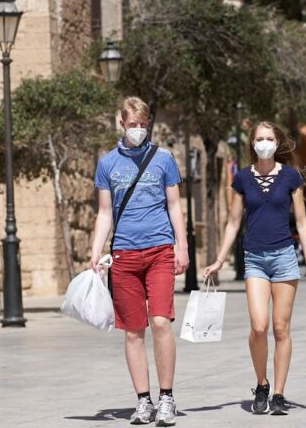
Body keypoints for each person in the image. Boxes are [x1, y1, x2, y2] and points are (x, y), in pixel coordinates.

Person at [203, 121, 306, 416]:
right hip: (254, 258)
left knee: (281, 329)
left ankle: (279, 393)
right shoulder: (242, 178)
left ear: (276, 142)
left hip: (284, 258)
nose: (264, 143)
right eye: (259, 138)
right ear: (252, 143)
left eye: (269, 138)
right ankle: (262, 383)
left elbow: (302, 223)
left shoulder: (291, 177)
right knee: (259, 326)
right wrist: (219, 259)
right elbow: (233, 223)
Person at [89, 97, 189, 426]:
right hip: (125, 254)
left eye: (143, 125)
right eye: (132, 124)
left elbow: (174, 205)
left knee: (160, 322)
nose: (138, 130)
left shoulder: (163, 160)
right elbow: (105, 212)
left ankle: (167, 398)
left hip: (159, 249)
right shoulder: (107, 164)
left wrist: (182, 245)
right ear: (122, 124)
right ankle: (143, 400)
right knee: (133, 331)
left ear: (149, 124)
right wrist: (95, 249)